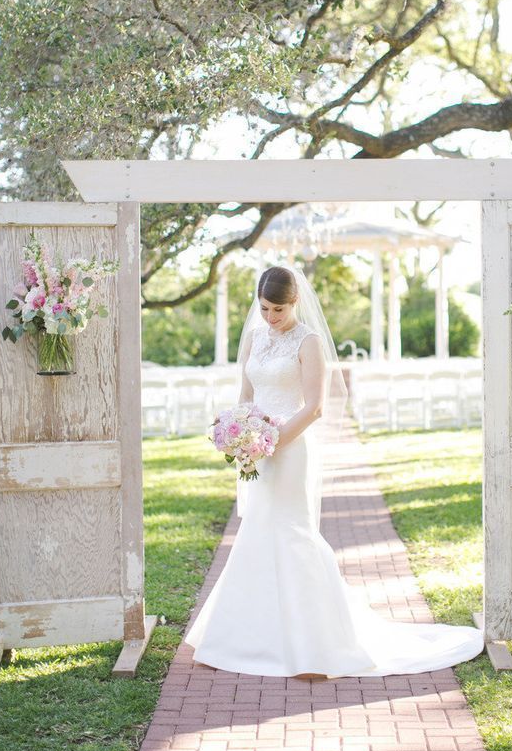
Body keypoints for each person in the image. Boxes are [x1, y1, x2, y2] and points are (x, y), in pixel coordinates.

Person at [184, 263, 484, 678]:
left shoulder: (307, 342)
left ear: (296, 303)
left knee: (293, 535)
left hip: (289, 451)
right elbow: (246, 394)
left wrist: (271, 441)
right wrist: (238, 435)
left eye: (279, 311)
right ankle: (232, 641)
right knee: (255, 533)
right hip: (257, 451)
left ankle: (316, 650)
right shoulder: (254, 338)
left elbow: (315, 407)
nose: (271, 318)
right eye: (265, 309)